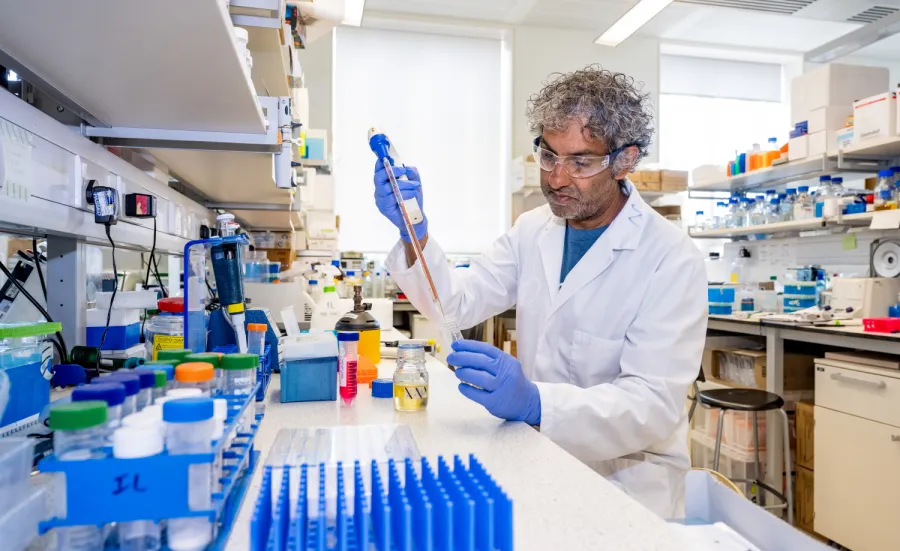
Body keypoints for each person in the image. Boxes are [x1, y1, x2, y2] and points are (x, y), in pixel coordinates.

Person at [372, 65, 707, 518]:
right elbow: (456, 304)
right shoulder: (533, 230)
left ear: (625, 161)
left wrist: (535, 402)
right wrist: (414, 231)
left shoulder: (670, 257)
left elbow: (650, 406)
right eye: (548, 156)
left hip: (626, 486)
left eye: (580, 162)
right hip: (535, 460)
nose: (556, 178)